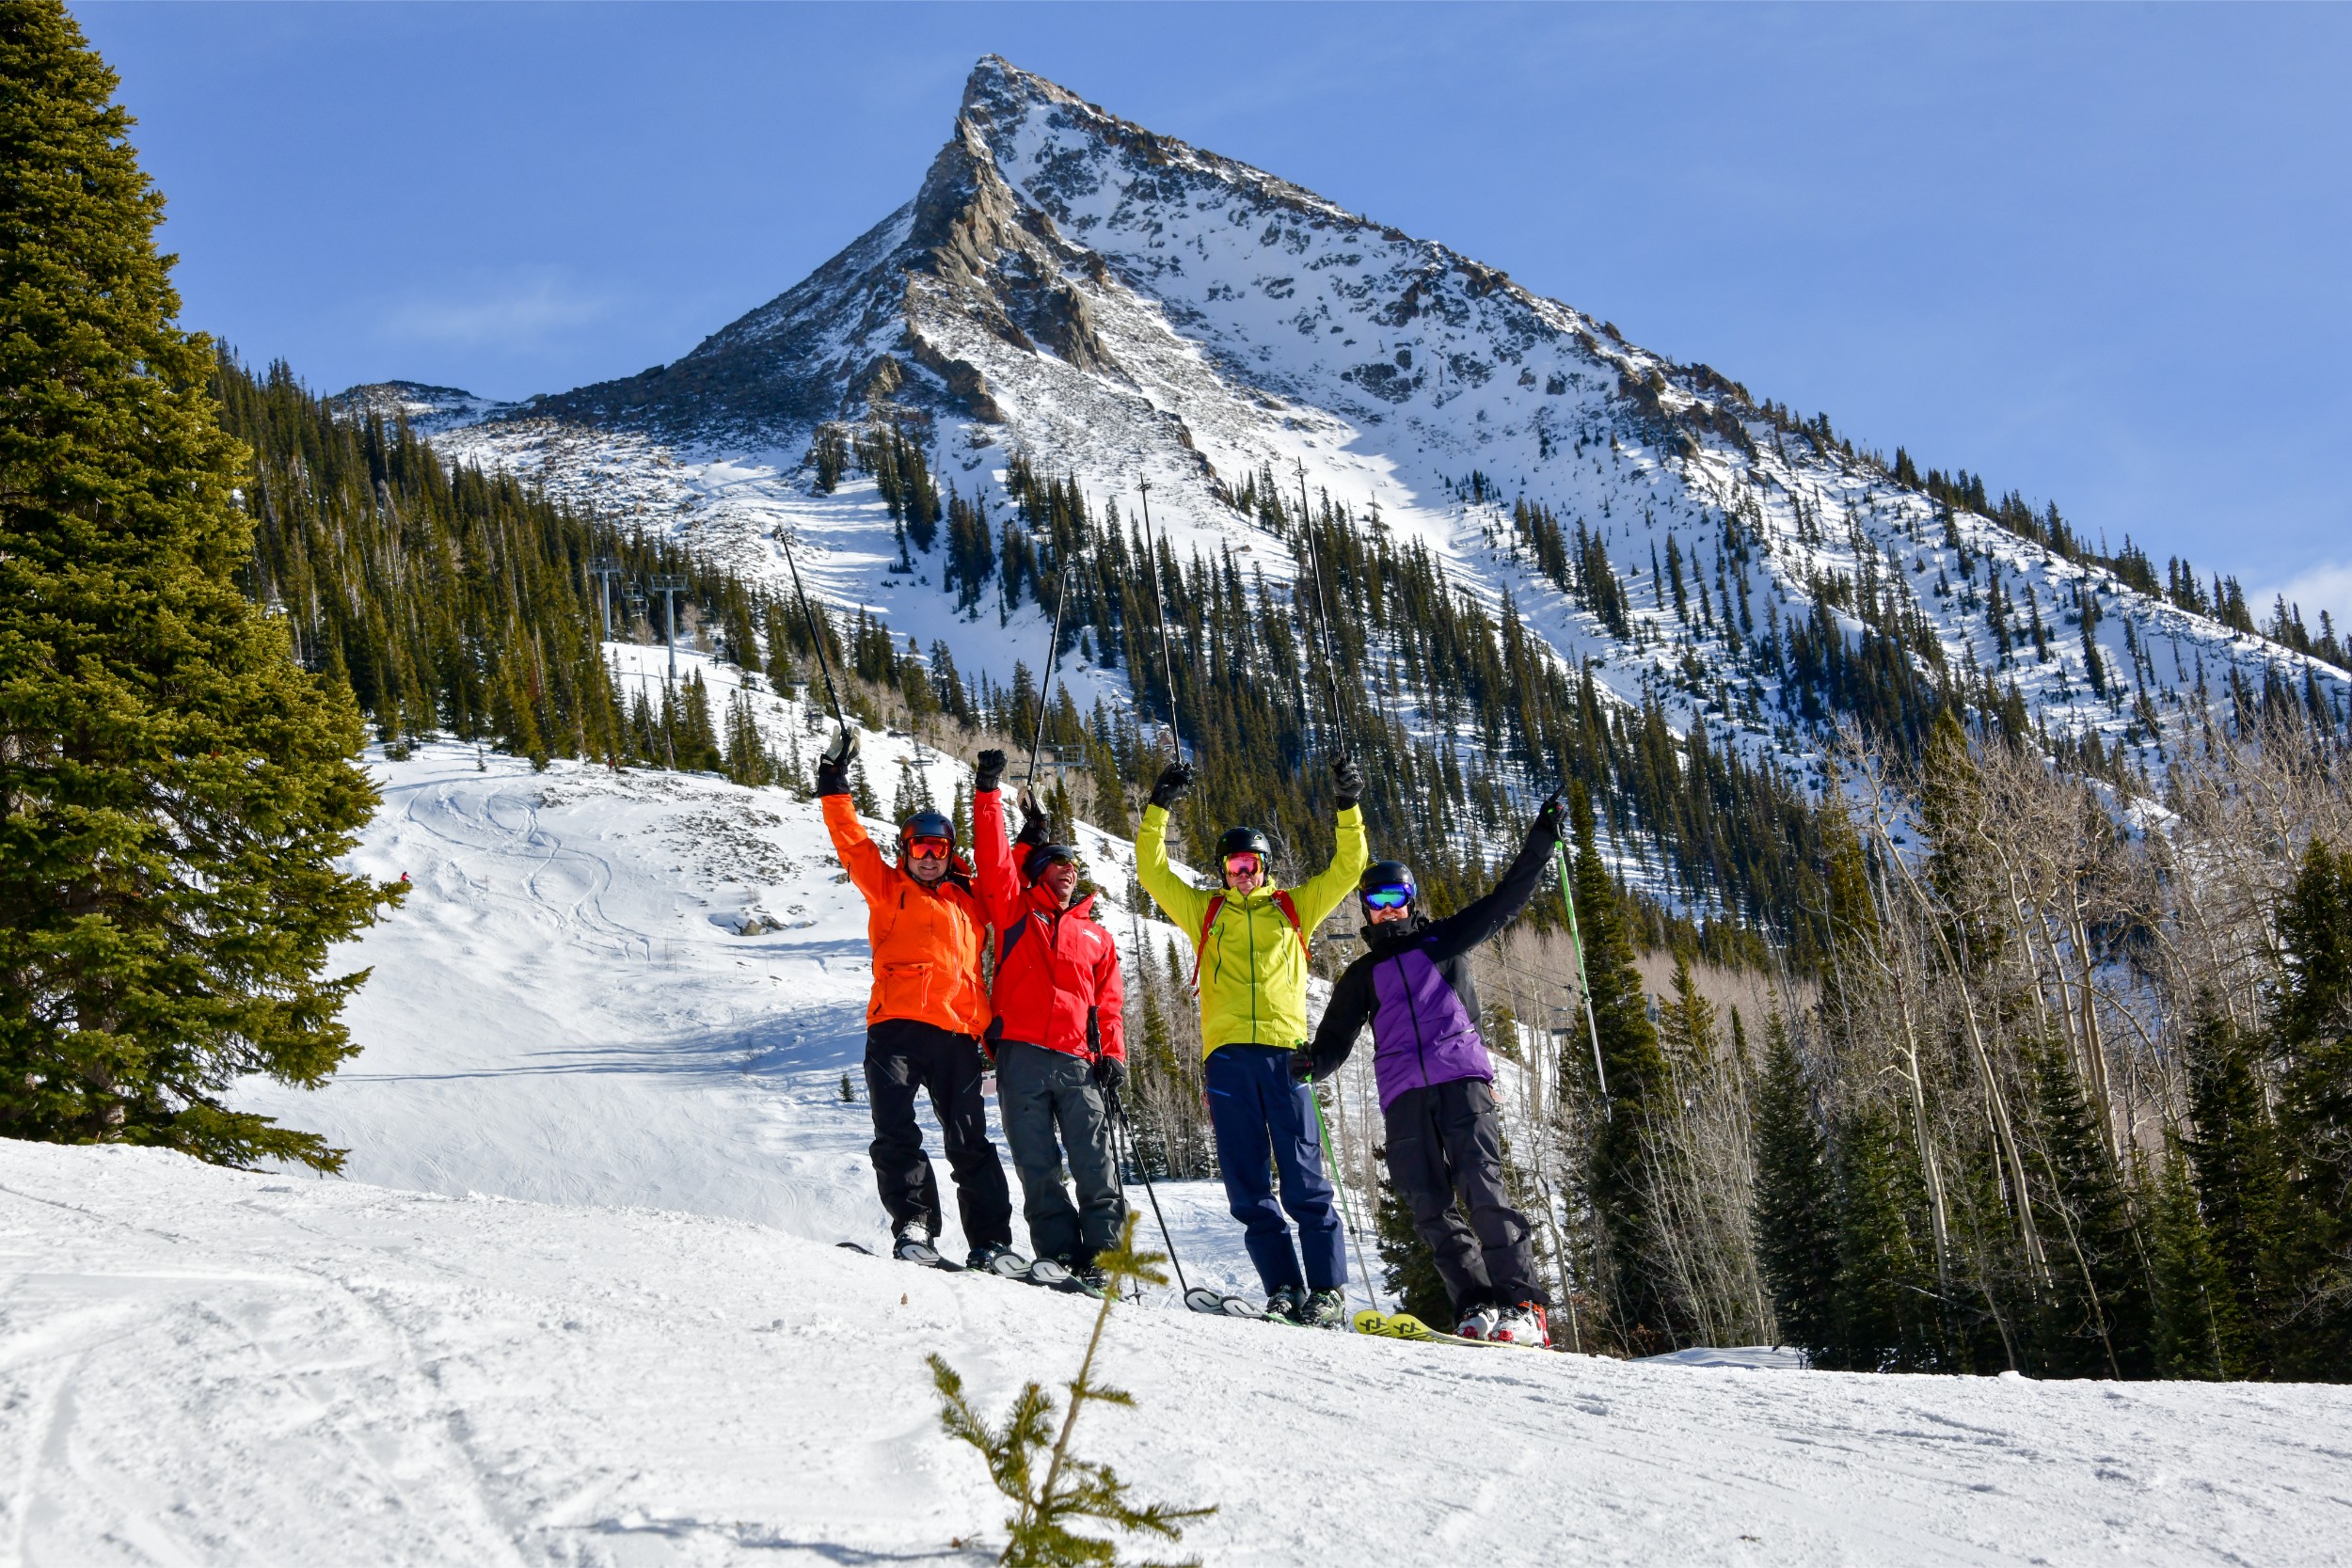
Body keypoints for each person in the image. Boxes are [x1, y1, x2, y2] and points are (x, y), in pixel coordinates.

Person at [1304, 794, 1565, 1345]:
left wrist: (1542, 839)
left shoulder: (1443, 941)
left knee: (1481, 1186)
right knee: (1428, 1204)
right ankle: (1477, 1303)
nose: (1388, 908)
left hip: (1460, 1080)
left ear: (1411, 899)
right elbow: (1331, 1044)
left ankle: (1525, 1305)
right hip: (1402, 1096)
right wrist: (1301, 1064)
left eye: (1396, 896)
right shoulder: (1360, 976)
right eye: (1376, 900)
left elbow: (1506, 900)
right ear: (1366, 909)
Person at [1136, 754, 1368, 1325]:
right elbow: (1152, 870)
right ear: (1222, 870)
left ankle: (1329, 1292)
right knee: (1247, 1184)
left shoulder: (1295, 908)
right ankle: (1285, 1289)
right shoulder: (1203, 911)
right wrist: (1159, 805)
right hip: (1228, 1062)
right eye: (1234, 865)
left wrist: (1347, 804)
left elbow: (1348, 867)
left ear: (1266, 866)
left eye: (1251, 864)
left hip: (1287, 1060)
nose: (1243, 873)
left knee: (1306, 1178)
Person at [816, 725, 1018, 1272]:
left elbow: (1003, 869)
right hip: (896, 1030)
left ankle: (992, 1242)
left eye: (939, 849)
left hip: (957, 1033)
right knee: (896, 1131)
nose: (929, 857)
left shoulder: (970, 902)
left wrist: (997, 800)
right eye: (920, 848)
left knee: (970, 1140)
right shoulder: (886, 889)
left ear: (951, 856)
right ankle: (914, 1224)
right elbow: (851, 842)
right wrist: (833, 782)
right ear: (905, 852)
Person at [967, 751, 1128, 1288]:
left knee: (1095, 1166)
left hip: (1079, 1063)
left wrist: (1113, 1056)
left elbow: (1108, 1004)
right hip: (1020, 1058)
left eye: (1074, 866)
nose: (1069, 871)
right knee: (1038, 1168)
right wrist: (988, 794)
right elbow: (994, 865)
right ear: (1037, 873)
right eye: (1058, 863)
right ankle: (1058, 1257)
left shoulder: (1096, 935)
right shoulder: (1016, 914)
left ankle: (1103, 1263)